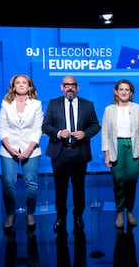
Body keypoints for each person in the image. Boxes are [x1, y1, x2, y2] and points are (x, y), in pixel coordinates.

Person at [42, 75, 100, 234]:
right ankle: (60, 217)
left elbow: (95, 126)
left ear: (77, 87)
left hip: (79, 152)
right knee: (60, 188)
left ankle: (78, 217)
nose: (70, 87)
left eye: (73, 85)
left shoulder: (88, 105)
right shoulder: (53, 104)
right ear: (62, 87)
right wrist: (59, 132)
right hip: (59, 153)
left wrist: (85, 133)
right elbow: (45, 127)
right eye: (66, 85)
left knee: (79, 188)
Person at [0, 74, 43, 235]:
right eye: (18, 83)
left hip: (31, 149)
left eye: (25, 83)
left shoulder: (36, 105)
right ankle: (10, 214)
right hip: (9, 149)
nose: (21, 85)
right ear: (13, 87)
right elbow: (1, 128)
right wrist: (10, 148)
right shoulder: (6, 104)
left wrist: (29, 149)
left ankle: (30, 213)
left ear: (30, 87)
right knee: (8, 183)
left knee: (30, 183)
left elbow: (38, 129)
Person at [101, 79, 139, 228]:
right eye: (121, 89)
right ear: (116, 91)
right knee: (118, 181)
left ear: (131, 92)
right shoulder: (109, 109)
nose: (123, 92)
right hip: (116, 147)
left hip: (133, 146)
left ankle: (130, 211)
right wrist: (107, 154)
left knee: (131, 181)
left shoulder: (137, 108)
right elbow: (105, 134)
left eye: (127, 89)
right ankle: (120, 211)